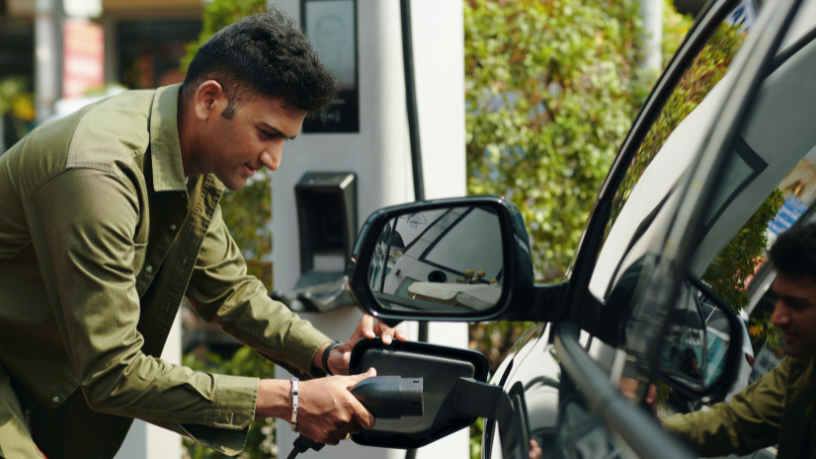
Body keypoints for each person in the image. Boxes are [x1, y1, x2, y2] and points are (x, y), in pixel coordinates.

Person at [0, 10, 406, 459]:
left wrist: (328, 355)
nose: (274, 160)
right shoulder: (100, 173)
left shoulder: (187, 152)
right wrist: (289, 401)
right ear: (208, 100)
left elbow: (230, 293)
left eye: (285, 140)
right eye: (267, 133)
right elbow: (113, 372)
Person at [660, 222, 816, 458]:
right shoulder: (802, 366)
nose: (777, 317)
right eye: (778, 300)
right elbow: (739, 421)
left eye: (796, 304)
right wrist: (661, 429)